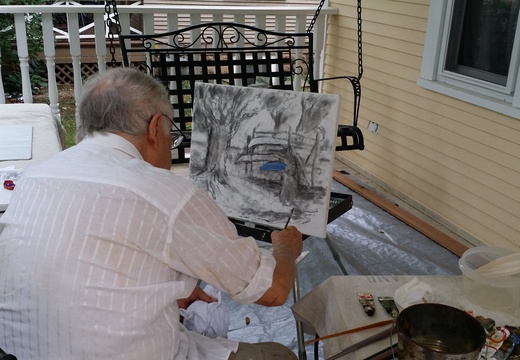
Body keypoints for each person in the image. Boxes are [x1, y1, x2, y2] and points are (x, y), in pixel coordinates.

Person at [0, 67, 303, 360]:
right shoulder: (168, 194)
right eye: (171, 136)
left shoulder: (35, 176)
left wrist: (175, 292)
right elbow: (273, 291)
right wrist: (285, 250)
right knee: (279, 355)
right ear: (156, 126)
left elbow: (81, 266)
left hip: (19, 351)